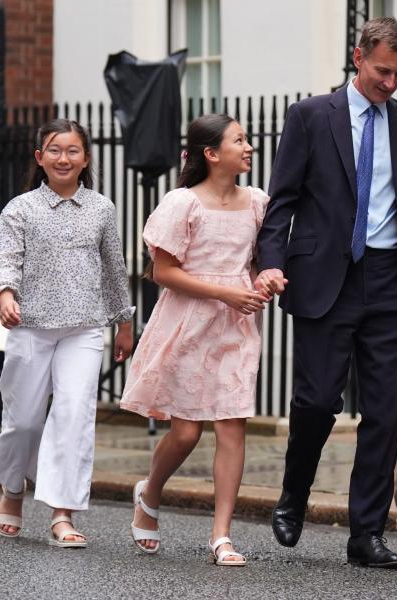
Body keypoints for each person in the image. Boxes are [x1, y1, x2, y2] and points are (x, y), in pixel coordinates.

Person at [256, 17, 397, 568]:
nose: (391, 83)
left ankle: (365, 534)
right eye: (383, 70)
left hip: (393, 282)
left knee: (385, 413)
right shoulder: (312, 116)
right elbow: (282, 199)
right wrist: (270, 262)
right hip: (326, 282)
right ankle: (294, 493)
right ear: (358, 57)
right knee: (316, 401)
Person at [120, 114, 270, 567]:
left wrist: (263, 280)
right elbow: (162, 272)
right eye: (239, 140)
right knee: (185, 432)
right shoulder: (181, 203)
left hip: (236, 328)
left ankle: (221, 535)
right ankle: (150, 492)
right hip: (187, 323)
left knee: (232, 422)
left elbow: (262, 260)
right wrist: (225, 290)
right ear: (210, 153)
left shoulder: (259, 202)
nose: (248, 147)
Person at [0, 118, 134, 546]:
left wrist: (124, 322)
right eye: (54, 150)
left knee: (74, 415)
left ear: (85, 158)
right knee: (24, 420)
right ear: (39, 158)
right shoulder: (20, 208)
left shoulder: (102, 208)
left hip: (83, 329)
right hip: (30, 327)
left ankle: (62, 513)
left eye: (72, 150)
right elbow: (1, 261)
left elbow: (114, 269)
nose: (63, 158)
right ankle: (13, 490)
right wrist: (6, 296)